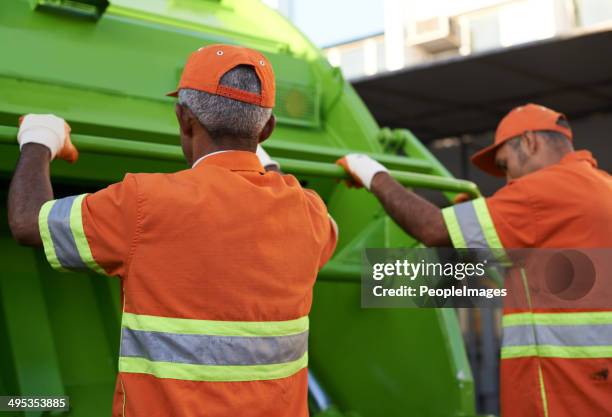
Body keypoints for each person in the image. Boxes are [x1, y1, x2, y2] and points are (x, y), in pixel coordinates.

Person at [8, 44, 337, 417]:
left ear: (184, 119)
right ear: (268, 129)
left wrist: (39, 138)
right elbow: (325, 225)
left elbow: (28, 221)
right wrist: (266, 164)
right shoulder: (308, 211)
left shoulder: (144, 202)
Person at [336, 103, 612, 417]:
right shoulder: (600, 187)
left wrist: (374, 175)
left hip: (563, 399)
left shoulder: (545, 191)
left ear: (531, 142)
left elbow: (432, 229)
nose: (509, 181)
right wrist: (484, 220)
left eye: (505, 164)